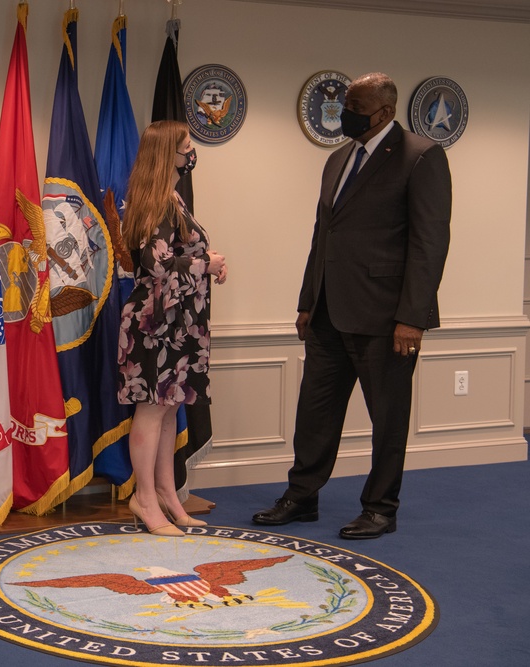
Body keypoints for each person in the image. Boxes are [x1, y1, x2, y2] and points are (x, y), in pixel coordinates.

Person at [253, 72, 451, 539]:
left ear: (383, 112)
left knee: (388, 417)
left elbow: (429, 244)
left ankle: (380, 507)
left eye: (355, 103)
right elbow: (324, 235)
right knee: (314, 411)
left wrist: (412, 318)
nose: (345, 110)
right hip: (327, 312)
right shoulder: (339, 158)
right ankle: (301, 496)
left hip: (387, 319)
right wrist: (307, 301)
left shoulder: (420, 156)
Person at [117, 120, 227, 536]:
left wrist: (205, 258)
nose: (191, 151)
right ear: (169, 153)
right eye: (186, 145)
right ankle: (144, 498)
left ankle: (166, 493)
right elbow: (156, 265)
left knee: (167, 409)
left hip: (177, 322)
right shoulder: (155, 201)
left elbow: (176, 252)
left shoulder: (171, 198)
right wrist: (207, 264)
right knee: (151, 409)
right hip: (155, 323)